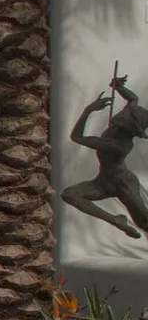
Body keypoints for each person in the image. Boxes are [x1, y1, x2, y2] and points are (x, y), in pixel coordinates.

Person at [62, 69, 148, 238]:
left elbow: (76, 137)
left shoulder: (116, 145)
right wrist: (117, 85)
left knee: (145, 222)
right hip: (103, 181)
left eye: (125, 116)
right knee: (69, 194)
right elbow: (133, 99)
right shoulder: (118, 129)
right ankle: (116, 220)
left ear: (129, 127)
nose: (122, 113)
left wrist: (88, 110)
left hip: (123, 183)